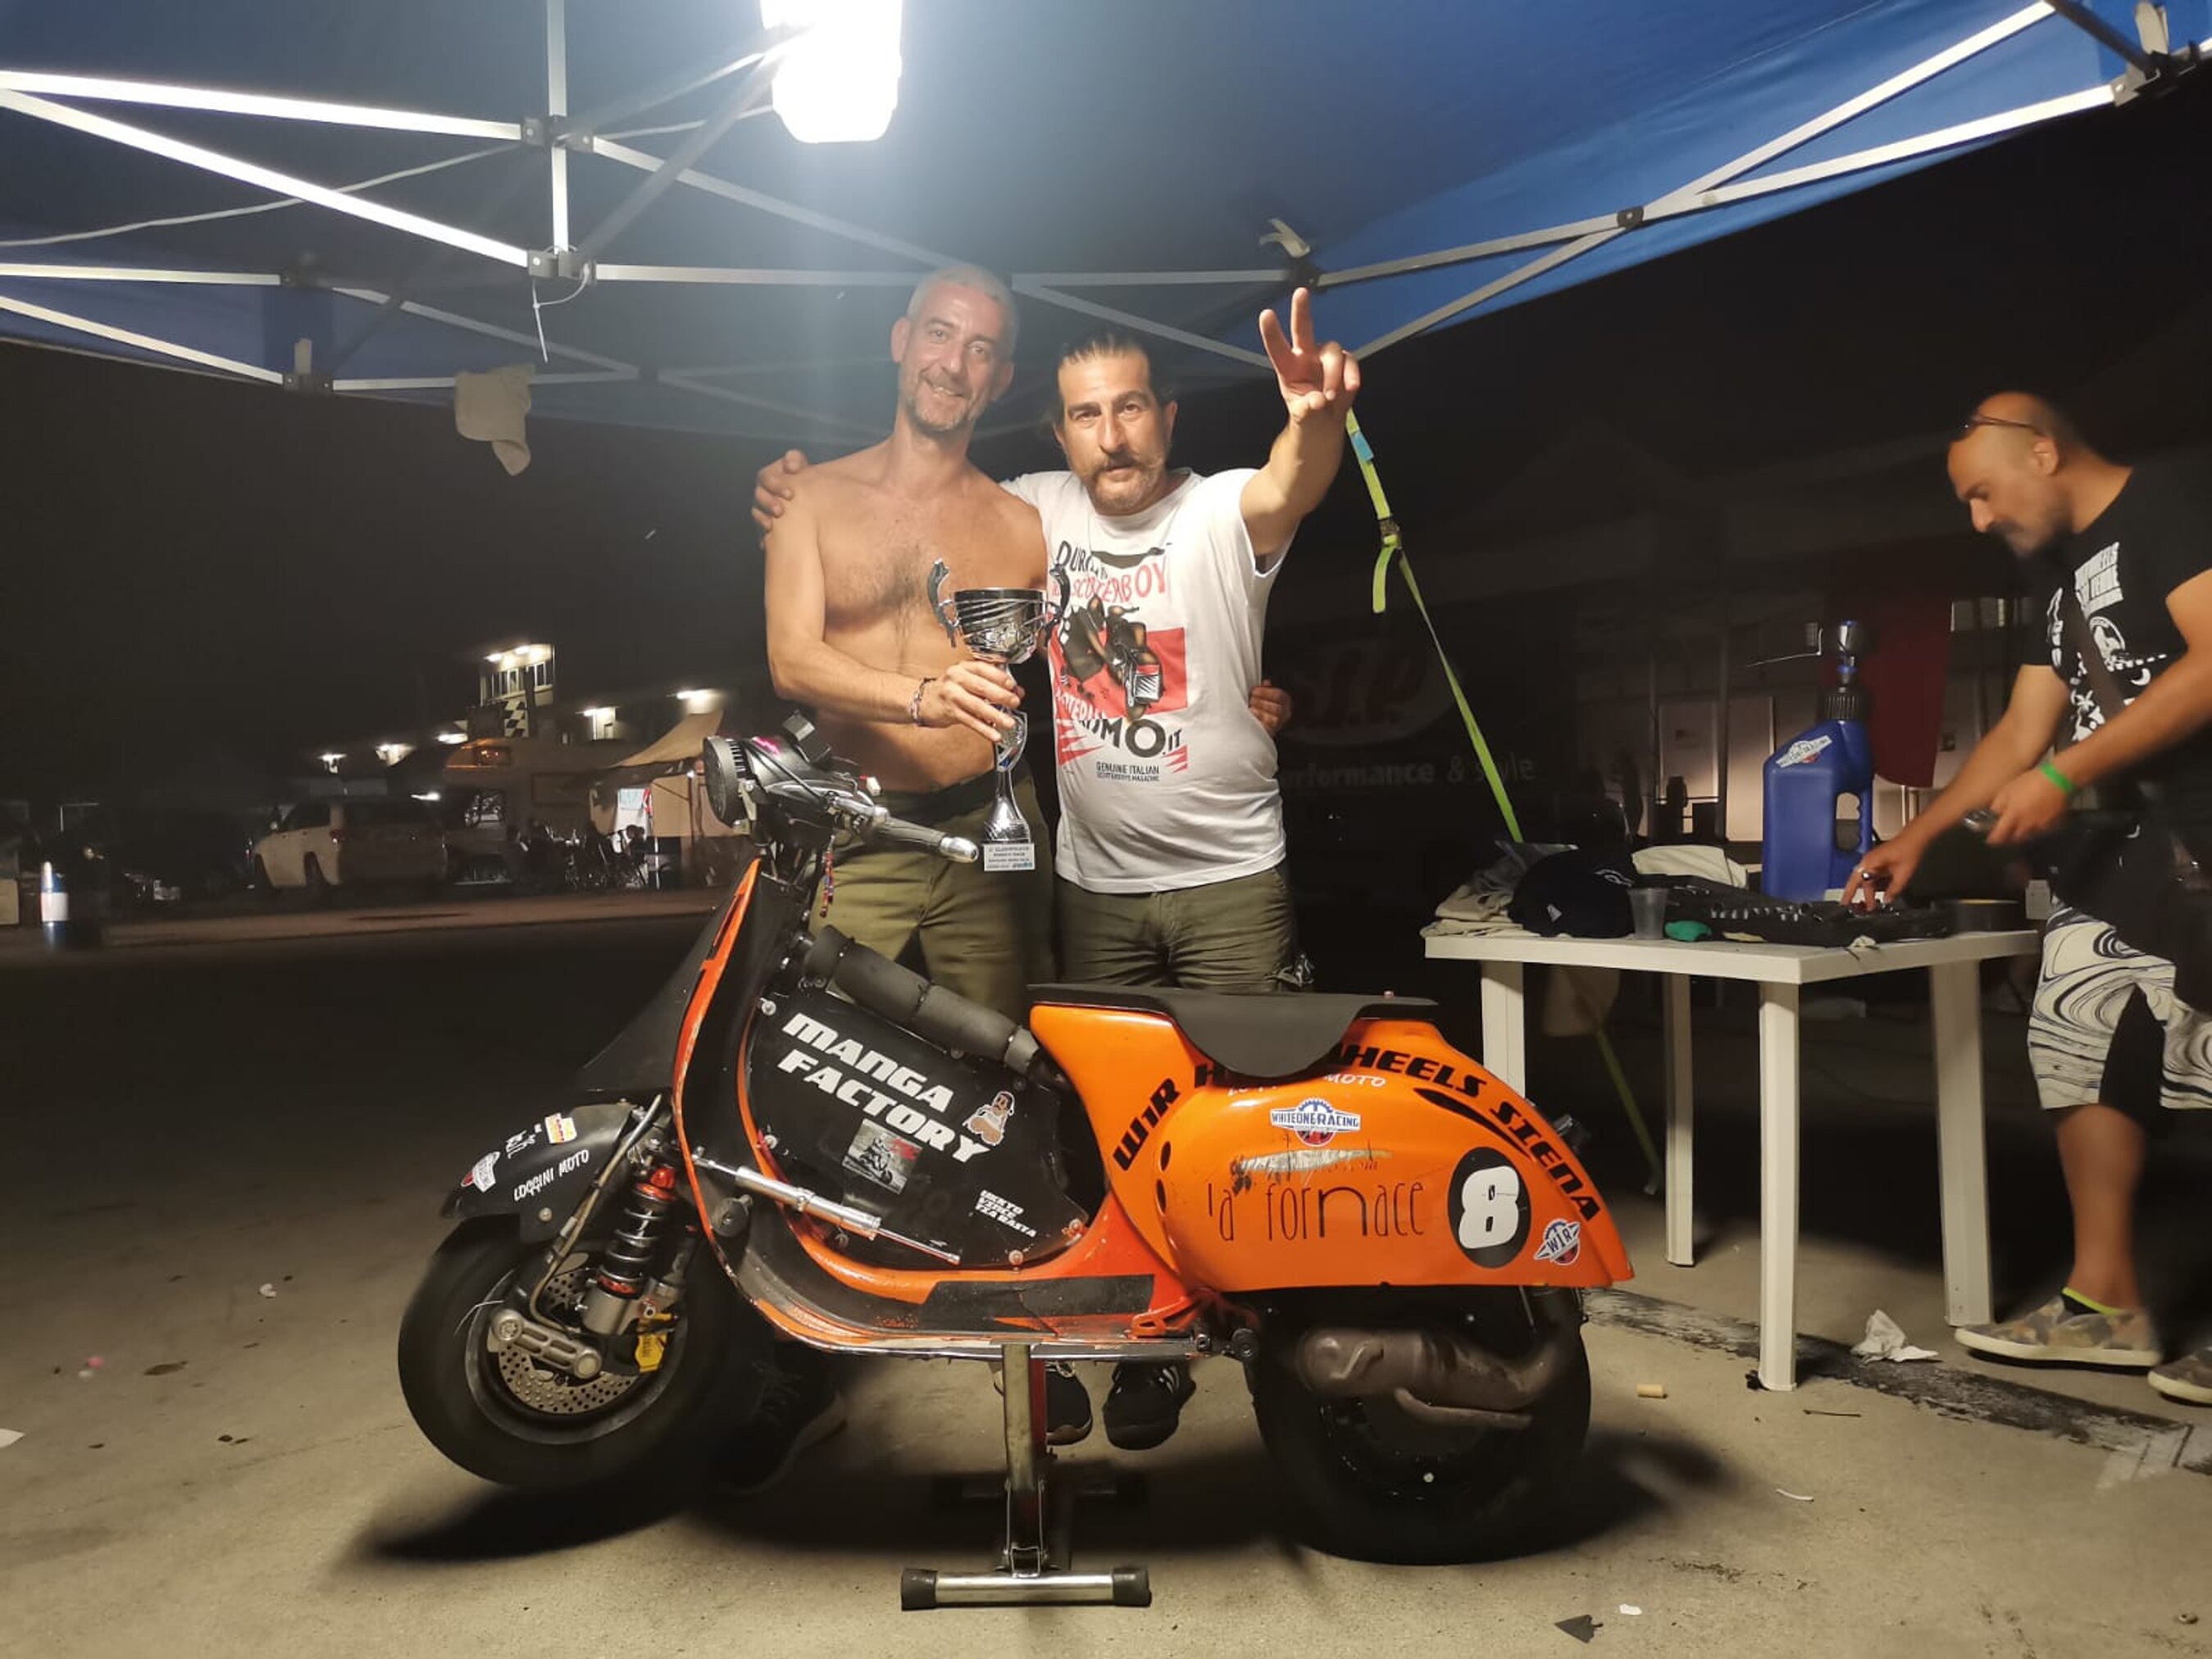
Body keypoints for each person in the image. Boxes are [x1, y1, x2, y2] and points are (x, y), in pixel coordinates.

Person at [757, 286, 1359, 1451]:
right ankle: (889, 1350)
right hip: (1044, 868)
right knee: (1044, 1116)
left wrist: (1314, 419)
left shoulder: (1158, 509)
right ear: (1057, 428)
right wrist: (785, 489)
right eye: (1087, 414)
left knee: (1197, 1121)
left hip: (1178, 866)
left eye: (1131, 408)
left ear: (1165, 418)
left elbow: (1291, 483)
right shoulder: (1009, 505)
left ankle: (1248, 1363)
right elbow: (851, 578)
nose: (1112, 435)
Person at [1846, 393, 2212, 1407]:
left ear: (2042, 453)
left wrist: (2064, 773)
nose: (1978, 518)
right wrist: (1919, 834)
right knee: (2076, 1040)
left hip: (2204, 829)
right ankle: (2104, 1305)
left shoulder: (2169, 502)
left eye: (1981, 492)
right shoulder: (2050, 576)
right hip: (2124, 848)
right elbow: (2020, 729)